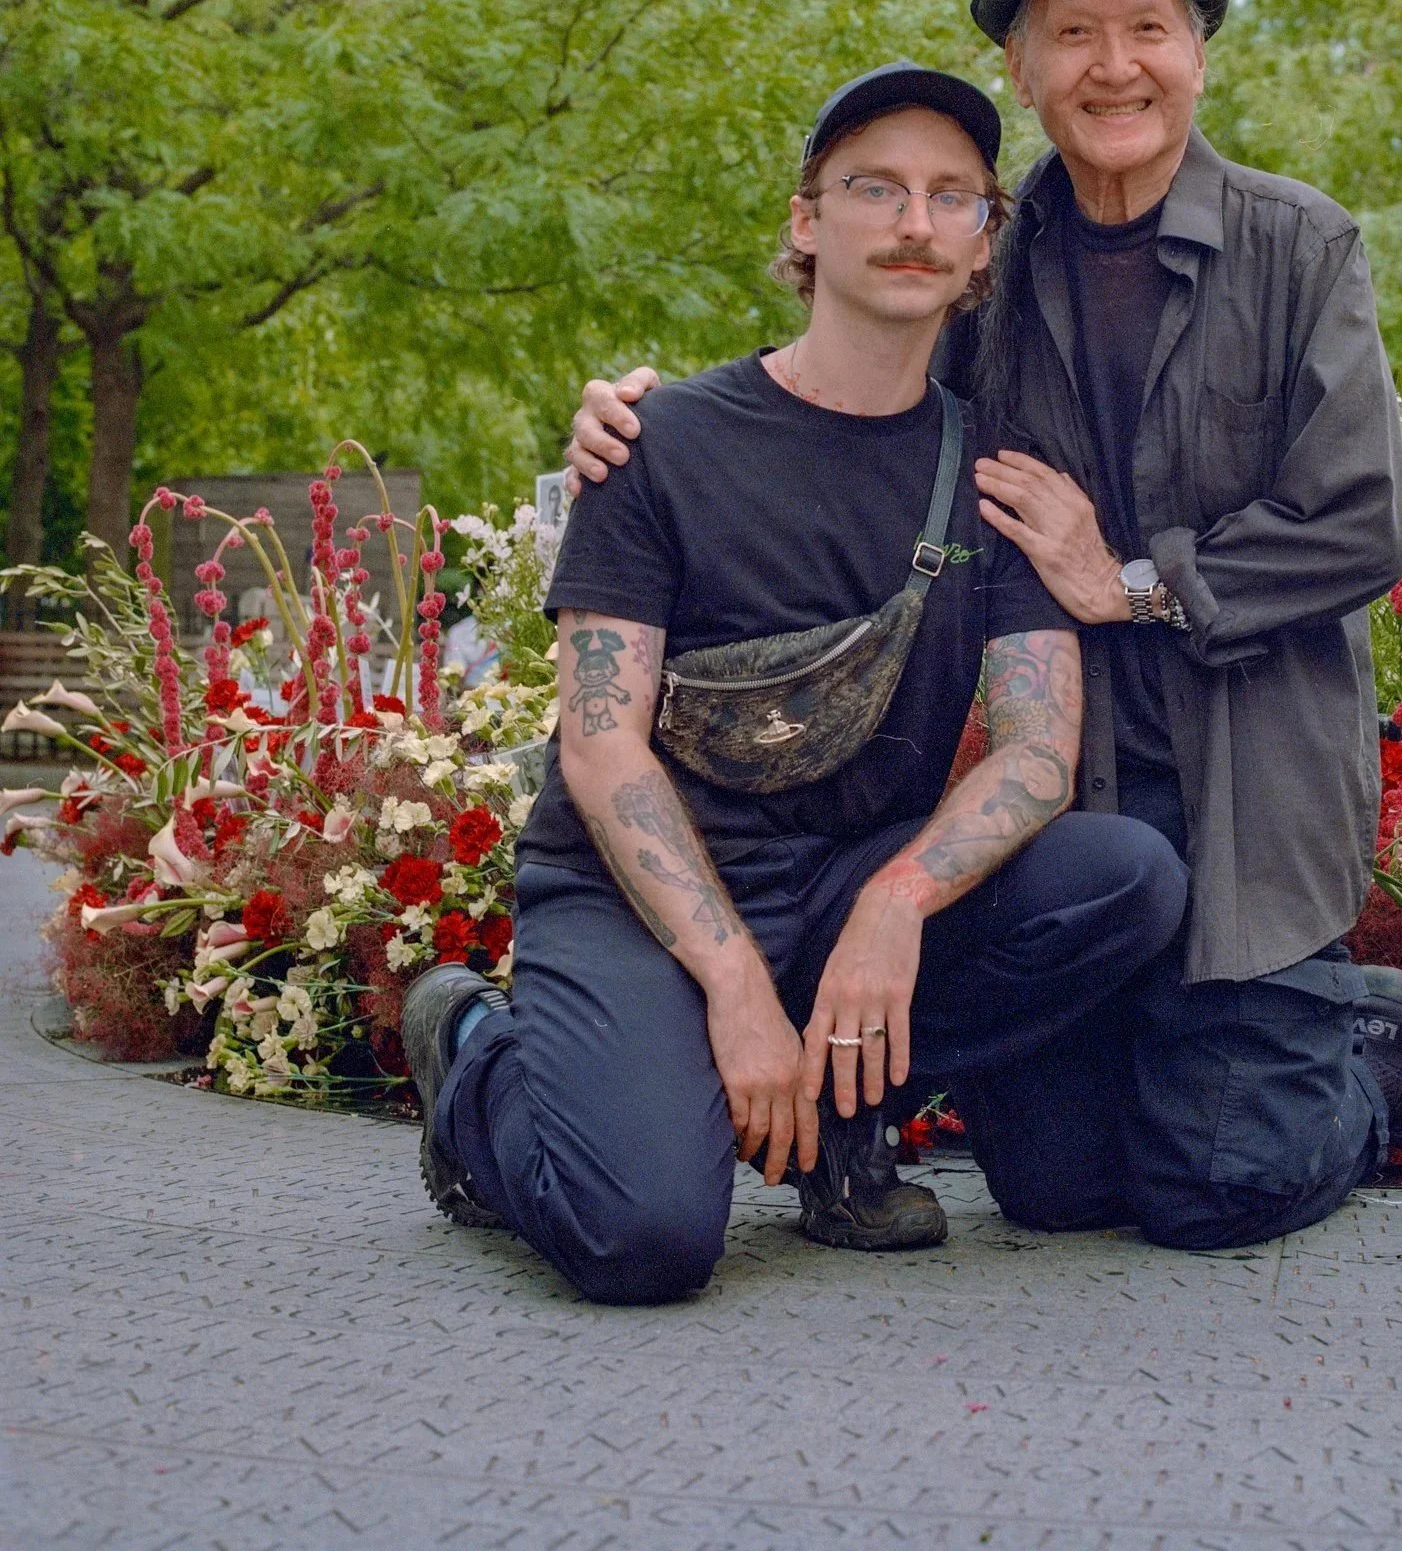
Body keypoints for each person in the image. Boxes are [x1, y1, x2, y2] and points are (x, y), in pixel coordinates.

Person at [570, 0, 1402, 1253]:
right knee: (1054, 1190)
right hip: (1072, 790)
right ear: (1023, 66)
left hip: (1248, 783)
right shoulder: (986, 252)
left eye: (1147, 28)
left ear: (1198, 51)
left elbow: (1358, 523)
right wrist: (633, 422)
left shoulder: (1299, 245)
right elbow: (852, 388)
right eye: (1073, 34)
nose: (1114, 66)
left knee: (1218, 1191)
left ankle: (1363, 1052)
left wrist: (1133, 583)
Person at [405, 63, 1188, 1304]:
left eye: (951, 196)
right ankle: (475, 1057)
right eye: (874, 187)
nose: (914, 221)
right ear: (806, 221)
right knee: (644, 1239)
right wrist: (728, 980)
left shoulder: (996, 476)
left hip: (841, 879)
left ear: (982, 245)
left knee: (1123, 876)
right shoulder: (658, 443)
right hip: (639, 897)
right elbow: (601, 748)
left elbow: (1038, 752)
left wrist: (894, 902)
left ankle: (839, 1115)